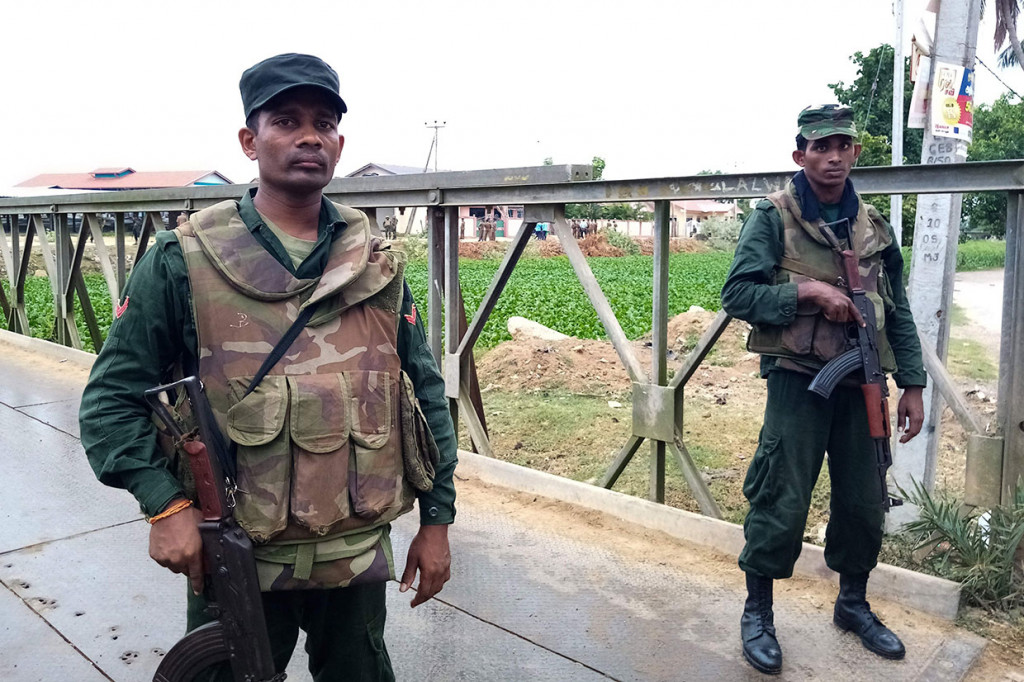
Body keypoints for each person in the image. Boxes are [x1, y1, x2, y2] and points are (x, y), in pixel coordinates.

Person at [79, 53, 457, 681]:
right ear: (250, 142)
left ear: (339, 144)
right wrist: (164, 507)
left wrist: (438, 521)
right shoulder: (182, 261)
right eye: (286, 120)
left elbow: (423, 393)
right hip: (236, 553)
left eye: (325, 123)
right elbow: (110, 402)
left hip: (355, 552)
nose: (310, 136)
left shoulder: (376, 262)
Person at [720, 104, 925, 675]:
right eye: (820, 147)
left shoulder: (874, 228)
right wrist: (807, 293)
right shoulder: (773, 219)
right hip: (797, 383)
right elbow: (737, 295)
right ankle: (758, 613)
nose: (833, 157)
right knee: (781, 498)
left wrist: (911, 382)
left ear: (855, 152)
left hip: (863, 383)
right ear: (799, 155)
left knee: (863, 500)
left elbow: (899, 312)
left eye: (842, 146)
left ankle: (853, 604)